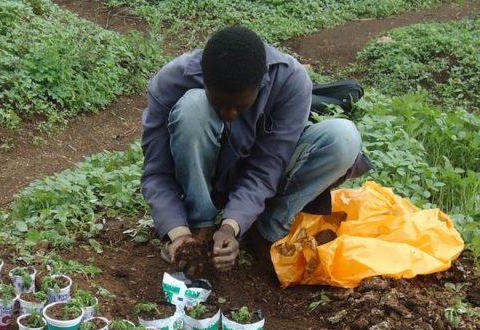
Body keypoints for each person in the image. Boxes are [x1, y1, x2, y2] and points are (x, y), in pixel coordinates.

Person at [141, 25, 368, 272]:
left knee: (343, 138)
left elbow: (266, 168)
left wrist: (232, 225)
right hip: (208, 172)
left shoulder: (290, 81)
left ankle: (265, 228)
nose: (229, 114)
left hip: (262, 180)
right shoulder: (170, 82)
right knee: (192, 108)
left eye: (240, 106)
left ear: (261, 84)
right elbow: (157, 172)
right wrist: (177, 232)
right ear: (204, 81)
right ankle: (199, 226)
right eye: (219, 105)